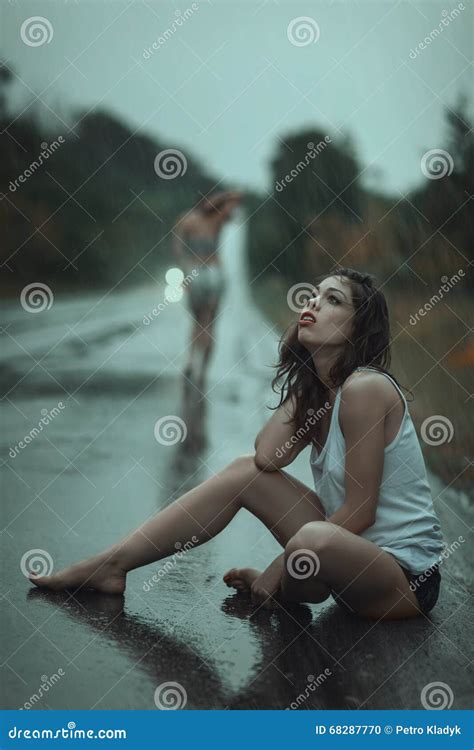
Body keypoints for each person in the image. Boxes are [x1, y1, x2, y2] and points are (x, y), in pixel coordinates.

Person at [29, 268, 445, 621]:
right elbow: (268, 457)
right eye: (313, 295)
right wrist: (307, 375)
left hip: (402, 578)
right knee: (244, 471)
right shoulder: (323, 392)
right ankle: (111, 565)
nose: (313, 302)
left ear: (358, 327)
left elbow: (361, 509)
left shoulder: (366, 388)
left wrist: (282, 563)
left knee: (310, 541)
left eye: (332, 300)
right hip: (340, 562)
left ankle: (284, 583)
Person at [172, 190, 243, 387]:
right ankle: (201, 370)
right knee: (209, 322)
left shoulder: (186, 220)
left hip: (195, 271)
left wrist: (184, 272)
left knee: (198, 322)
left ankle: (192, 363)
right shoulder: (217, 219)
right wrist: (224, 196)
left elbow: (178, 249)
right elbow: (236, 199)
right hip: (213, 272)